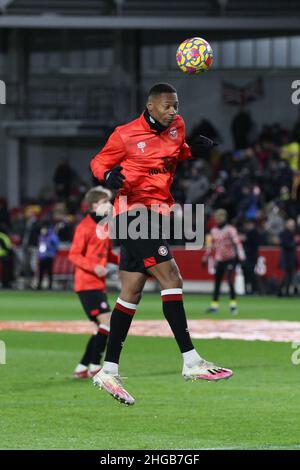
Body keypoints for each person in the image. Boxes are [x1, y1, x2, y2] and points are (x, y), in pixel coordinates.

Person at [90, 82, 233, 406]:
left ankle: (108, 369)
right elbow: (98, 162)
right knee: (172, 278)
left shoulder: (177, 127)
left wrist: (192, 150)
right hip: (132, 214)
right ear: (151, 106)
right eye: (168, 106)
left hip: (159, 213)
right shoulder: (124, 134)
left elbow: (176, 153)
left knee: (131, 293)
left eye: (177, 106)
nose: (174, 112)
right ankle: (192, 361)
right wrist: (107, 176)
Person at [69, 186, 119, 379]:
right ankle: (95, 366)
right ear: (94, 205)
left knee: (102, 326)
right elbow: (74, 255)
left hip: (97, 284)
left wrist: (125, 261)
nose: (109, 205)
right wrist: (94, 267)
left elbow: (107, 254)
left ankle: (83, 367)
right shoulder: (84, 227)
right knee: (107, 322)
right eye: (106, 201)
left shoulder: (104, 227)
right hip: (86, 283)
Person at [203, 209, 246, 314]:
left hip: (230, 259)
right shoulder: (213, 231)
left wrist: (241, 255)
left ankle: (233, 305)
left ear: (224, 217)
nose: (218, 219)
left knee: (230, 281)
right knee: (217, 282)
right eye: (216, 217)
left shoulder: (230, 230)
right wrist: (206, 256)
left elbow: (237, 243)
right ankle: (214, 306)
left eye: (220, 216)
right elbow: (210, 246)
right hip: (219, 259)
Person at [278, 219, 298, 297]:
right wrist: (295, 243)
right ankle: (281, 291)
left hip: (291, 257)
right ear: (287, 225)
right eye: (291, 225)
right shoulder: (284, 233)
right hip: (286, 257)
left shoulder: (292, 234)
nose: (292, 226)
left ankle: (286, 291)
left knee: (290, 276)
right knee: (286, 276)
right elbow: (287, 244)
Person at [37, 224, 60, 290]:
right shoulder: (41, 236)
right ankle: (39, 285)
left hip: (49, 256)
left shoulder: (52, 236)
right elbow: (40, 246)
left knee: (49, 272)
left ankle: (50, 285)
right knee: (40, 272)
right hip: (42, 256)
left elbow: (56, 244)